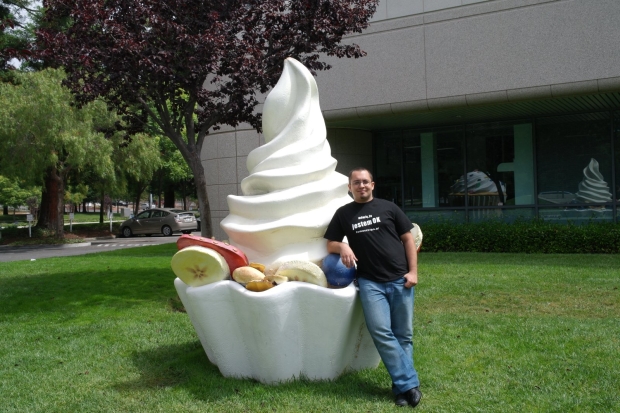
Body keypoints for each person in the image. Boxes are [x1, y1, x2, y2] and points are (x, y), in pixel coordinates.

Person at [324, 167, 421, 408]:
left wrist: (413, 272)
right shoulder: (343, 213)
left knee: (404, 335)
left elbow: (408, 239)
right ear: (350, 187)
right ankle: (410, 384)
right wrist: (343, 246)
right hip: (370, 282)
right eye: (356, 182)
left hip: (400, 279)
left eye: (365, 181)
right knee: (381, 331)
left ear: (372, 185)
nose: (361, 186)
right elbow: (330, 243)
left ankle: (401, 390)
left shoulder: (389, 208)